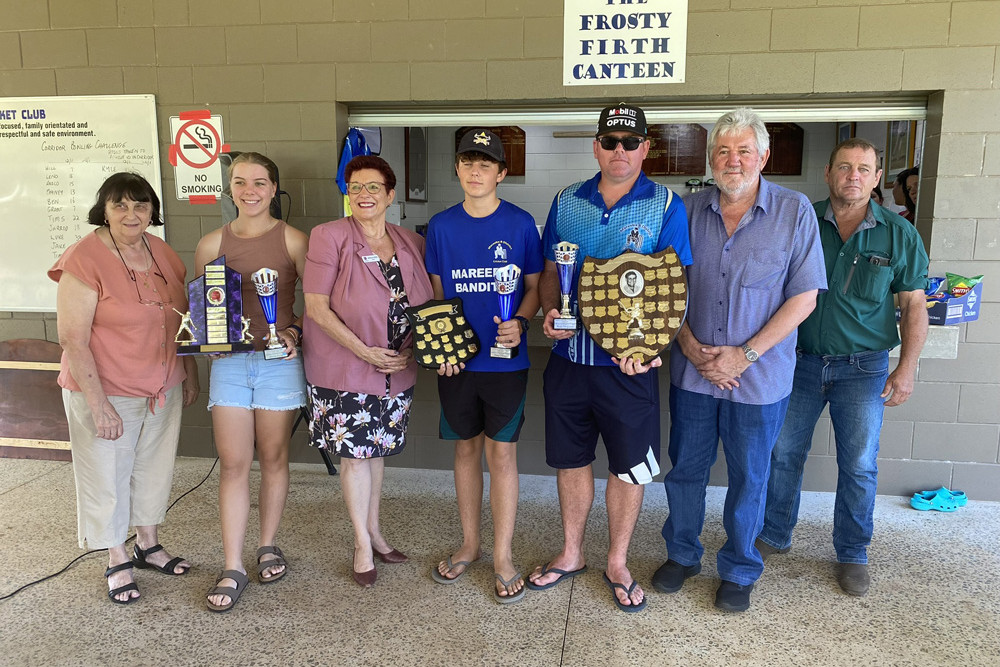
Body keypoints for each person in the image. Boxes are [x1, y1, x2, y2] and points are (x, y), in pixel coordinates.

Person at [654, 107, 827, 613]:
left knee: (751, 477)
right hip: (692, 372)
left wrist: (744, 355)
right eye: (723, 151)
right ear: (710, 159)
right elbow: (666, 290)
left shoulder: (795, 213)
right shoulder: (684, 210)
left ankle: (739, 566)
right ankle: (682, 555)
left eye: (743, 150)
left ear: (764, 156)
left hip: (760, 380)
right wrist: (686, 345)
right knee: (685, 470)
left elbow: (804, 298)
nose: (733, 160)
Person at [528, 103, 692, 613]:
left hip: (630, 367)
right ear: (596, 145)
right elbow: (552, 269)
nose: (619, 151)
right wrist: (550, 310)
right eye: (610, 141)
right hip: (569, 359)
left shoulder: (665, 203)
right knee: (571, 461)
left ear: (645, 148)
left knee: (629, 469)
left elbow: (677, 284)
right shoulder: (565, 200)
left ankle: (617, 561)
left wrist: (652, 349)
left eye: (630, 142)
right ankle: (572, 552)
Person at [758, 138, 929, 596]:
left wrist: (907, 365)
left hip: (864, 368)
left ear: (876, 179)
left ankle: (853, 552)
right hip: (796, 364)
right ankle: (775, 533)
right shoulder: (799, 220)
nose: (853, 175)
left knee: (858, 464)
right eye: (845, 167)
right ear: (830, 173)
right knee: (782, 454)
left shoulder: (899, 234)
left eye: (864, 168)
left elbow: (914, 305)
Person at [49, 172, 199, 604]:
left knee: (153, 468)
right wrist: (99, 406)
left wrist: (188, 375)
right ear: (105, 209)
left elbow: (182, 322)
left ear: (152, 211)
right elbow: (72, 339)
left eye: (141, 205)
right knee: (107, 475)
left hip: (162, 386)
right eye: (120, 205)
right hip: (107, 389)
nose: (131, 214)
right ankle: (116, 556)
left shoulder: (163, 252)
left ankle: (147, 543)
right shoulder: (84, 258)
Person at [303, 155, 433, 588]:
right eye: (356, 187)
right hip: (344, 368)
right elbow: (317, 308)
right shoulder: (329, 237)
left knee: (374, 453)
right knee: (355, 458)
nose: (364, 195)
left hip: (397, 369)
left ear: (390, 195)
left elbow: (425, 301)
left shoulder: (410, 240)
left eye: (373, 187)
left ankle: (376, 531)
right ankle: (361, 541)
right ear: (347, 193)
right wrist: (366, 352)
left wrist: (412, 346)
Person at [425, 129, 543, 604]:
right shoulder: (440, 226)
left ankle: (502, 554)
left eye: (485, 163)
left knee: (503, 456)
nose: (476, 171)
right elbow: (437, 298)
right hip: (459, 365)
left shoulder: (520, 223)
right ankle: (470, 544)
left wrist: (521, 320)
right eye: (468, 162)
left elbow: (536, 288)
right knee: (465, 453)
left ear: (501, 172)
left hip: (506, 364)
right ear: (457, 168)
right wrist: (443, 347)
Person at [198, 152, 309, 612]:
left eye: (260, 182)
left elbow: (319, 306)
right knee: (233, 462)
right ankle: (232, 565)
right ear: (229, 188)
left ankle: (267, 544)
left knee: (274, 456)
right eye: (240, 182)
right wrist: (209, 340)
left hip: (280, 364)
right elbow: (205, 309)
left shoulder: (295, 240)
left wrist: (294, 331)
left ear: (273, 188)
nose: (250, 190)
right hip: (230, 365)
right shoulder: (210, 243)